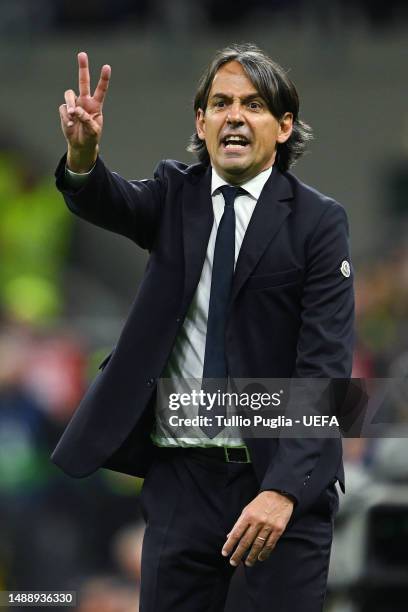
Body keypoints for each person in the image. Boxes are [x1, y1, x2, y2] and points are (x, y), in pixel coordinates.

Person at [52, 44, 354, 611]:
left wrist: (283, 491)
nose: (234, 115)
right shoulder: (175, 194)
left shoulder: (318, 222)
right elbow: (108, 201)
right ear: (201, 121)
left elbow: (325, 367)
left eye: (254, 104)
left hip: (277, 483)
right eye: (220, 102)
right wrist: (83, 158)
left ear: (284, 126)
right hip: (181, 481)